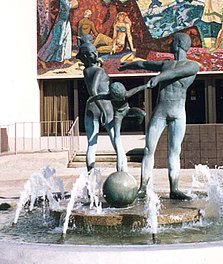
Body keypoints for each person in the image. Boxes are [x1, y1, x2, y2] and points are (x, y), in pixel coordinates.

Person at [119, 33, 199, 200]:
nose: (169, 44)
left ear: (178, 43)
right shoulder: (165, 64)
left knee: (174, 151)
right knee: (149, 149)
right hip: (160, 113)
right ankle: (143, 187)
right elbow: (144, 63)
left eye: (172, 42)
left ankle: (174, 188)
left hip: (178, 114)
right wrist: (129, 66)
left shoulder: (192, 66)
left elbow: (174, 74)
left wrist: (158, 78)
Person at [76, 42, 126, 173]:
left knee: (92, 144)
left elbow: (92, 90)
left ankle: (90, 176)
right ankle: (123, 173)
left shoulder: (86, 71)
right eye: (93, 53)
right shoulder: (99, 71)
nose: (96, 54)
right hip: (104, 105)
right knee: (116, 140)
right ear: (89, 56)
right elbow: (94, 90)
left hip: (90, 107)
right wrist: (103, 110)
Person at [87, 82, 148, 171]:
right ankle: (120, 169)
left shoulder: (126, 94)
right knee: (117, 137)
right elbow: (99, 97)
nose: (123, 98)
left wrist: (147, 85)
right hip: (118, 115)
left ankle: (140, 118)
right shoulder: (109, 96)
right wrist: (91, 100)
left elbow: (138, 88)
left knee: (141, 112)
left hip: (127, 111)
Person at [38, 0, 78, 69]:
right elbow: (67, 6)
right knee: (56, 40)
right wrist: (72, 4)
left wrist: (73, 3)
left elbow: (74, 4)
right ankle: (42, 59)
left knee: (67, 39)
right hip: (61, 20)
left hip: (65, 19)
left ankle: (65, 58)